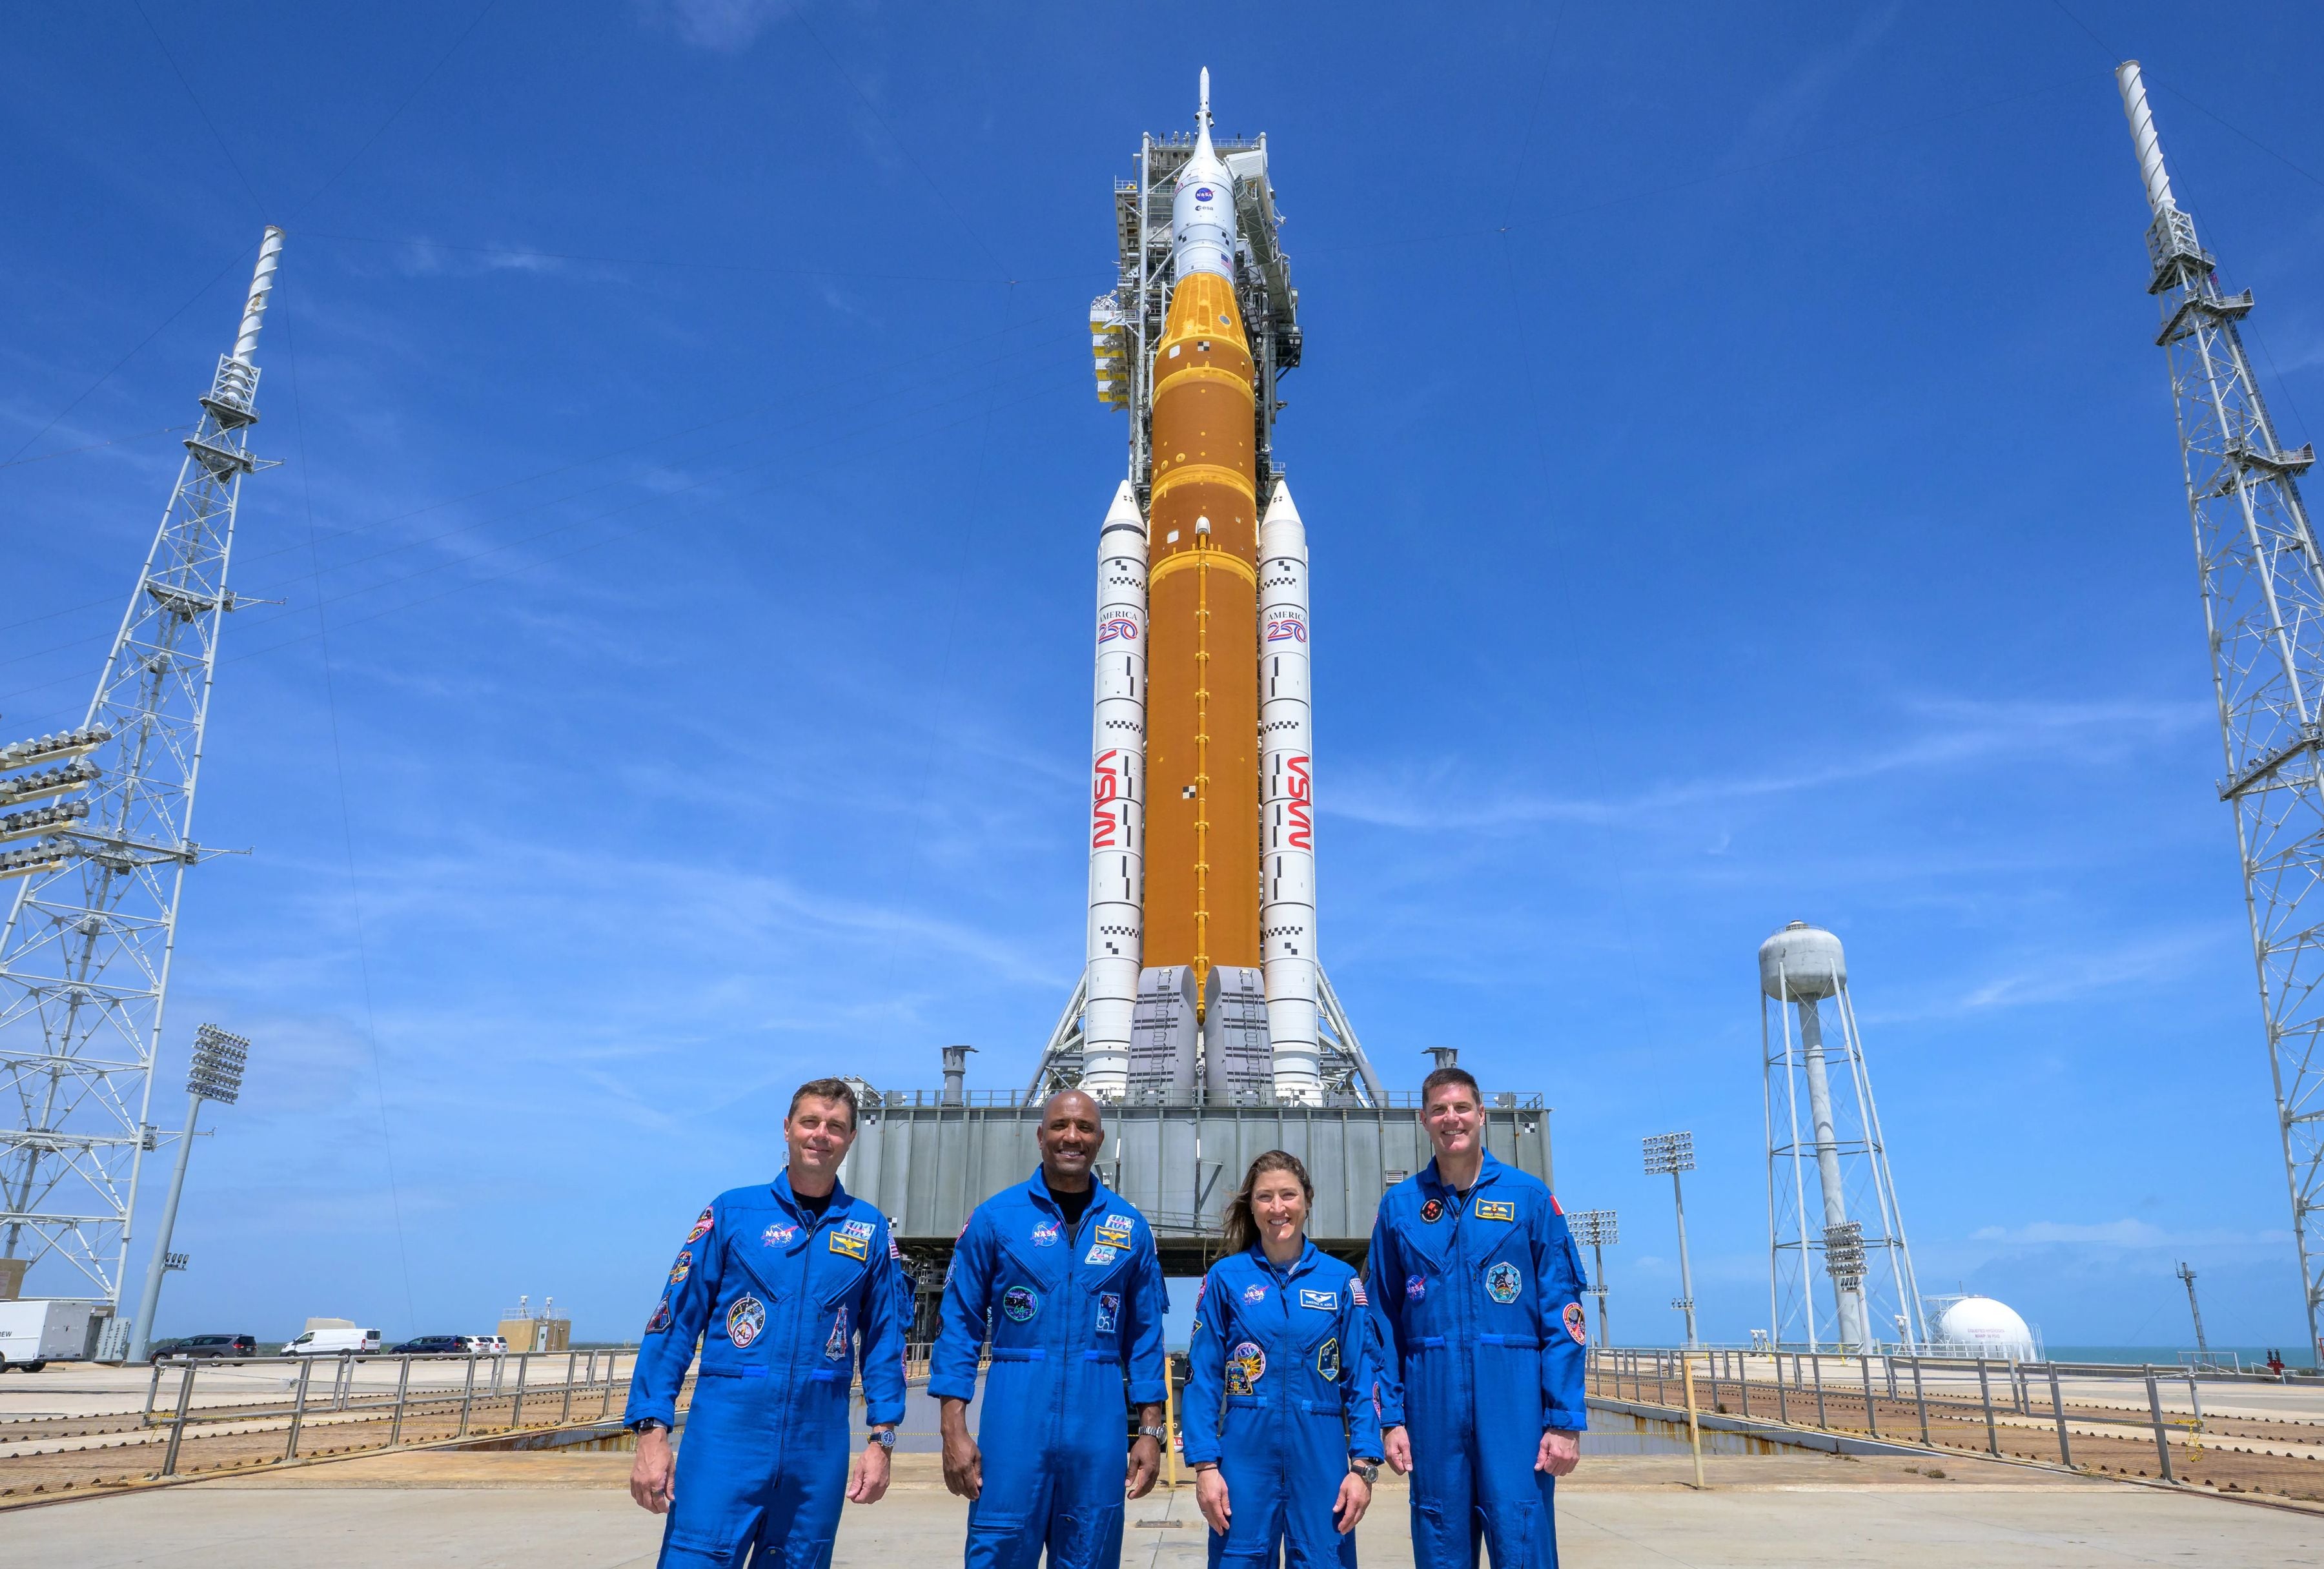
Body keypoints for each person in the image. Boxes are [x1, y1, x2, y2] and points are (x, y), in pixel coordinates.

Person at [624, 1078, 908, 1568]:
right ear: (787, 1128)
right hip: (725, 1442)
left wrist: (881, 1440)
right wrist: (652, 1432)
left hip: (816, 1453)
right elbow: (672, 1324)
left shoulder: (870, 1230)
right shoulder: (733, 1213)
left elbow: (886, 1340)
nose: (821, 1135)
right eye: (810, 1122)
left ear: (851, 1139)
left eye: (836, 1126)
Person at [930, 1089, 1169, 1569]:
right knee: (997, 1550)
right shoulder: (997, 1219)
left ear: (1100, 1140)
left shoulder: (1129, 1227)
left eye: (1084, 1128)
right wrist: (952, 1428)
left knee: (1091, 1552)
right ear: (1041, 1136)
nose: (1071, 1137)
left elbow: (1145, 1338)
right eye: (1060, 1126)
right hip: (1014, 1419)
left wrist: (1151, 1432)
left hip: (1097, 1422)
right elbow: (959, 1326)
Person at [1367, 1066, 1587, 1569]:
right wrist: (1391, 1418)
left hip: (1514, 1403)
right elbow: (1380, 1322)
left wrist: (1564, 1420)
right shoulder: (1399, 1208)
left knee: (1522, 1536)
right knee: (1439, 1536)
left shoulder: (1529, 1199)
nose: (1452, 1119)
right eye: (1440, 1110)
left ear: (1481, 1115)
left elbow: (1564, 1312)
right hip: (1431, 1406)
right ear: (1424, 1120)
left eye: (1462, 1108)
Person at [1185, 1150, 1383, 1569]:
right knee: (1239, 1560)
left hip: (1321, 1453)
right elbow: (1203, 1377)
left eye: (1288, 1195)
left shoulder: (1340, 1281)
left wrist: (1363, 1465)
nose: (1278, 1208)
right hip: (1244, 1456)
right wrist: (1205, 1465)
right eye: (1265, 1197)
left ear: (1307, 1200)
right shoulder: (1225, 1279)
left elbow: (1361, 1377)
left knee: (1323, 1560)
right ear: (1251, 1206)